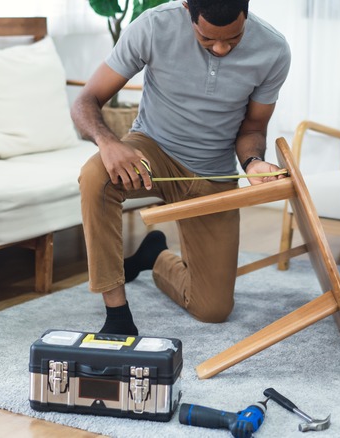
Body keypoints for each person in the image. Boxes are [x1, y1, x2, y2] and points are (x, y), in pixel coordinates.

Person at [72, 0, 291, 336]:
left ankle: (155, 256)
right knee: (94, 176)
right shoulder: (153, 26)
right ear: (188, 9)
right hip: (151, 152)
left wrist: (253, 162)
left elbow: (253, 128)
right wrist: (108, 142)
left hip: (213, 171)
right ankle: (116, 313)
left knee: (213, 309)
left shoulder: (273, 50)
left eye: (233, 39)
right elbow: (85, 100)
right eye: (207, 39)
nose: (220, 48)